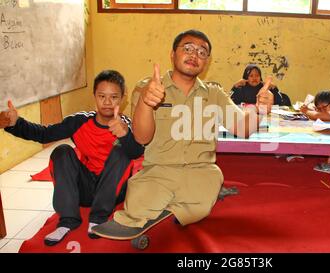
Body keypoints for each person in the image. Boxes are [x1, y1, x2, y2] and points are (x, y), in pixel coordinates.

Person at [92, 29, 274, 237]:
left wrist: (259, 111)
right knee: (137, 204)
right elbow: (142, 138)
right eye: (187, 48)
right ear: (172, 54)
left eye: (202, 52)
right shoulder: (148, 87)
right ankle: (173, 208)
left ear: (206, 62)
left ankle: (175, 206)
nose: (195, 55)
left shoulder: (214, 94)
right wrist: (146, 102)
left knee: (208, 189)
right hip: (158, 171)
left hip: (201, 171)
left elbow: (243, 129)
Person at [0, 70, 144, 245]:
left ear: (122, 98)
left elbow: (137, 152)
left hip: (113, 193)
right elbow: (45, 134)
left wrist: (125, 135)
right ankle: (68, 220)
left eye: (114, 97)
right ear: (94, 96)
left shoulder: (126, 124)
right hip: (85, 189)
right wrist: (16, 123)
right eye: (102, 96)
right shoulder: (79, 121)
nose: (107, 102)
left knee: (122, 151)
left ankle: (98, 219)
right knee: (62, 151)